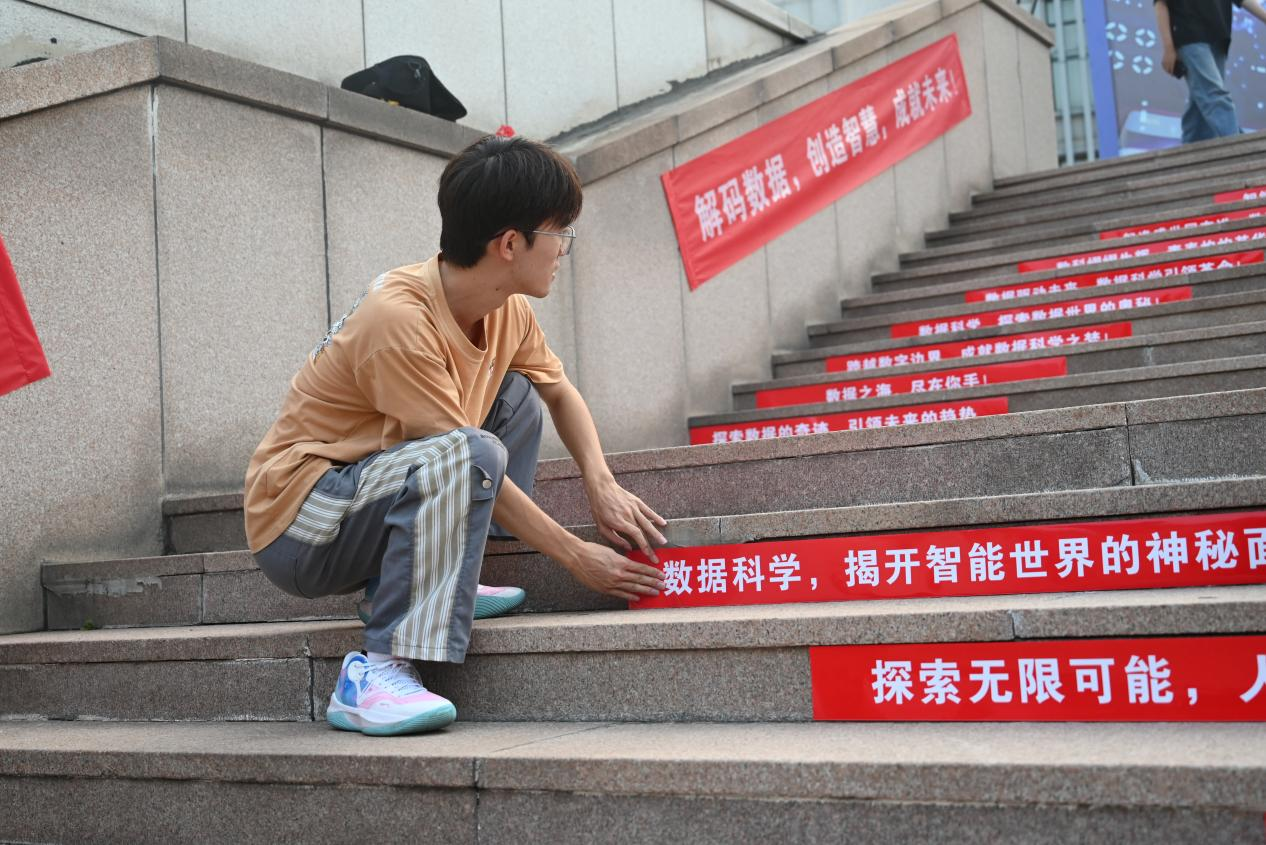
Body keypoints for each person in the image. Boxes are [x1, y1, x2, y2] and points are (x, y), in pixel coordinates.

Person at [245, 135, 668, 737]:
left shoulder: (506, 308)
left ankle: (448, 577)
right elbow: (467, 464)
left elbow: (559, 391)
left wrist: (600, 485)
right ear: (510, 244)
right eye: (559, 233)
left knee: (518, 398)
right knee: (470, 451)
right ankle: (374, 672)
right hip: (302, 521)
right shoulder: (400, 320)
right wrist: (576, 556)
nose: (563, 250)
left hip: (370, 489)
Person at [1154, 0, 1266, 144]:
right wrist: (1168, 48)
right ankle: (1241, 144)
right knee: (1213, 93)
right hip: (1189, 35)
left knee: (1201, 101)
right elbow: (1161, 4)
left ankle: (1191, 149)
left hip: (1218, 37)